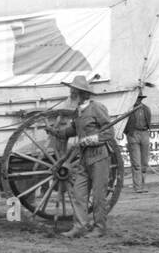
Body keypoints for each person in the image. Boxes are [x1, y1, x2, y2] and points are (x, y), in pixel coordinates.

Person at [57, 75, 116, 240]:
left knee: (98, 196)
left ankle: (99, 228)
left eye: (73, 90)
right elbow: (73, 130)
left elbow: (109, 132)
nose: (71, 93)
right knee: (79, 194)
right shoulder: (78, 112)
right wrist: (58, 133)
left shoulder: (97, 108)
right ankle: (79, 227)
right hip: (84, 159)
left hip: (99, 158)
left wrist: (93, 139)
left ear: (81, 93)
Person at [124, 92, 152, 193]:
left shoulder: (146, 109)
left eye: (139, 98)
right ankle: (138, 187)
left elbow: (149, 121)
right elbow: (123, 123)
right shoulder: (129, 110)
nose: (138, 100)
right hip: (133, 134)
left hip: (144, 133)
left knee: (144, 162)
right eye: (136, 98)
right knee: (136, 163)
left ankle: (142, 185)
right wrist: (128, 133)